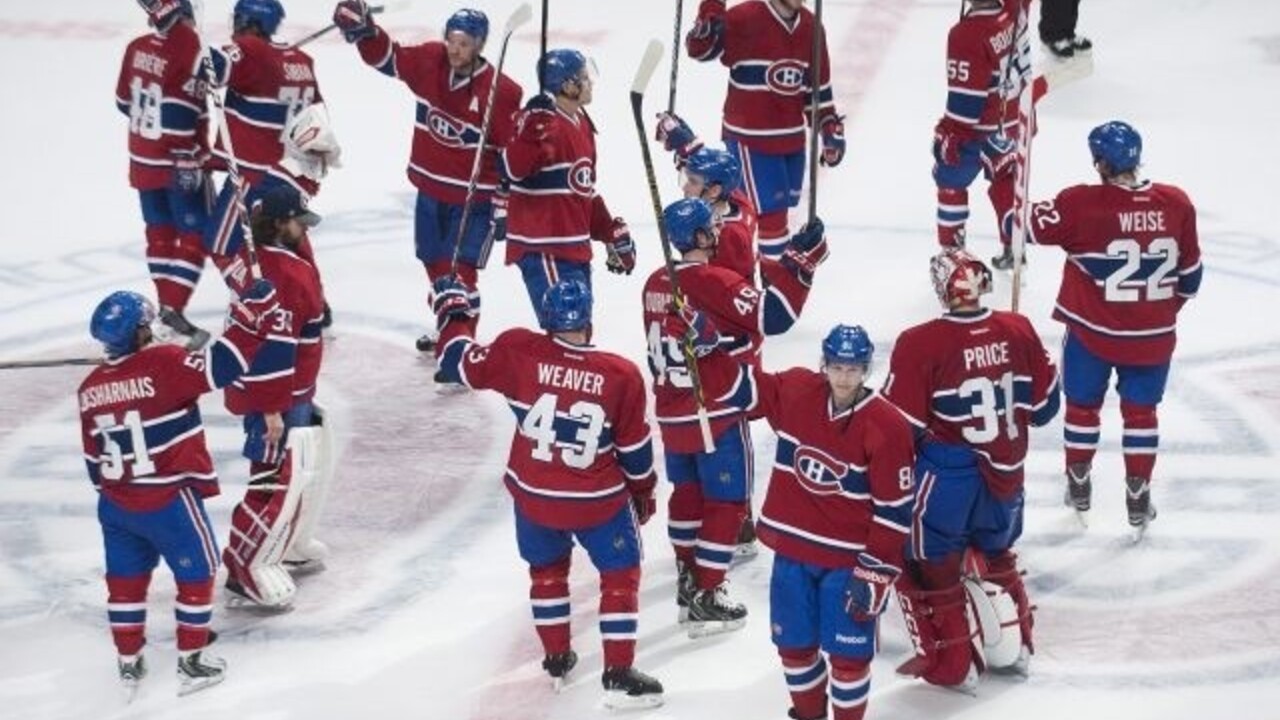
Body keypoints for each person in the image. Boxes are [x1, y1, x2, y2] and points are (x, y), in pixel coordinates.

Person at [665, 318, 915, 720]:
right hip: (793, 557)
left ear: (866, 369)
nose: (844, 377)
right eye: (837, 367)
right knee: (794, 649)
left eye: (853, 369)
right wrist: (710, 351)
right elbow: (743, 388)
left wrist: (876, 570)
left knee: (849, 660)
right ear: (824, 364)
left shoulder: (888, 425)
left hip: (846, 564)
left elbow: (895, 509)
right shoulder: (799, 391)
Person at [432, 278, 664, 709]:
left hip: (534, 496)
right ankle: (618, 673)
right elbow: (635, 452)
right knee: (621, 574)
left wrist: (455, 314)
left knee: (546, 572)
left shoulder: (517, 350)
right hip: (596, 502)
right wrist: (644, 491)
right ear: (589, 321)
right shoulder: (620, 374)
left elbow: (455, 360)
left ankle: (556, 656)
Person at [78, 281, 280, 697]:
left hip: (116, 505)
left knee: (125, 581)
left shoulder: (89, 388)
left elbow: (93, 463)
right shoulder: (163, 364)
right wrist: (252, 321)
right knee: (197, 572)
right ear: (138, 332)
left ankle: (129, 662)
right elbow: (224, 366)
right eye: (147, 324)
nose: (154, 329)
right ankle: (192, 662)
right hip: (168, 499)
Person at [642, 197, 828, 637]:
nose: (719, 230)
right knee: (726, 503)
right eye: (711, 226)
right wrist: (801, 265)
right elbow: (774, 316)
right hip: (716, 408)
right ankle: (708, 592)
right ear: (699, 236)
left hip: (671, 410)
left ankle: (688, 579)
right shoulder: (713, 280)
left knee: (686, 493)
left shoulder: (654, 281)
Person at [881, 247, 1060, 689]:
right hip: (1009, 474)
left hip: (949, 477)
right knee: (997, 554)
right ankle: (1017, 645)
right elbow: (1045, 408)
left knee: (929, 561)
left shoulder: (919, 342)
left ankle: (953, 663)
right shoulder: (1019, 328)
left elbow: (899, 429)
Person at [1027, 121, 1202, 539]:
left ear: (1101, 163)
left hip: (1092, 334)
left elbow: (1021, 228)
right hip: (1153, 339)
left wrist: (1009, 176)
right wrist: (1155, 313)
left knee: (1082, 408)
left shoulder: (1081, 204)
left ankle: (1078, 479)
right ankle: (1138, 490)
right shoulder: (1177, 202)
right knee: (1141, 414)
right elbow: (1191, 279)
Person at [332, 3, 523, 352]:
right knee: (434, 262)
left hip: (474, 199)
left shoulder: (501, 92)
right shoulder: (430, 61)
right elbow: (388, 59)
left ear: (479, 45)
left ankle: (460, 343)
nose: (455, 49)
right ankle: (448, 329)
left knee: (460, 272)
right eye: (451, 40)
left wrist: (503, 200)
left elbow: (513, 153)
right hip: (430, 189)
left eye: (464, 44)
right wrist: (366, 32)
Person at [220, 185, 330, 609]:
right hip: (276, 398)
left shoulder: (249, 261)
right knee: (271, 480)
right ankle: (246, 566)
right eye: (299, 222)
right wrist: (272, 410)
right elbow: (274, 348)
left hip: (275, 391)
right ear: (280, 223)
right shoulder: (287, 274)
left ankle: (285, 543)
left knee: (293, 471)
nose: (305, 230)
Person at [686, 0, 845, 257]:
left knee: (775, 213)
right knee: (772, 218)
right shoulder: (744, 18)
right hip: (750, 139)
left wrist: (828, 127)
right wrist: (711, 13)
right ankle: (770, 278)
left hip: (791, 141)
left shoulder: (811, 27)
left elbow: (817, 92)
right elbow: (700, 50)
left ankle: (756, 271)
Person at [497, 49, 635, 317]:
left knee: (581, 329)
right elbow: (510, 170)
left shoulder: (582, 123)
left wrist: (608, 232)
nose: (590, 82)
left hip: (574, 248)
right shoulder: (535, 121)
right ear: (567, 85)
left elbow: (583, 189)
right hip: (543, 247)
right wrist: (531, 132)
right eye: (584, 77)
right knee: (566, 327)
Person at [116, 0, 214, 349]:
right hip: (176, 161)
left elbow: (123, 102)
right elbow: (187, 105)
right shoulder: (187, 45)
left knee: (159, 235)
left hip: (142, 158)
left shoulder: (136, 47)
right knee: (197, 235)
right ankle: (172, 310)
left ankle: (166, 313)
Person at [931, 0, 1031, 269]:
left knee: (949, 178)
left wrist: (949, 134)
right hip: (1017, 123)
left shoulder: (966, 35)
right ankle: (1013, 246)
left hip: (982, 134)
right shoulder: (1014, 7)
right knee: (1006, 181)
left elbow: (966, 107)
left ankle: (953, 255)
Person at [653, 114, 760, 282]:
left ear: (714, 191)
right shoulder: (736, 200)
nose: (685, 187)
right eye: (686, 179)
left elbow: (729, 288)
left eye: (692, 182)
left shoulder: (727, 236)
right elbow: (719, 169)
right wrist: (686, 143)